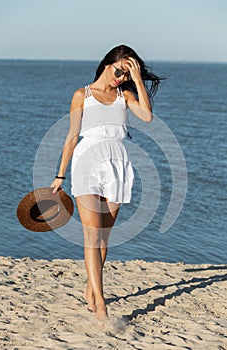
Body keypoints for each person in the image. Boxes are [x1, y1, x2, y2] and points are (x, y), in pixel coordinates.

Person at [51, 44, 163, 320]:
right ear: (106, 64)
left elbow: (147, 116)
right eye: (119, 71)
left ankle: (91, 288)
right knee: (91, 235)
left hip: (117, 162)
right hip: (86, 162)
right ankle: (100, 302)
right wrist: (60, 175)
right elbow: (71, 136)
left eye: (126, 74)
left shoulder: (125, 94)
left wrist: (137, 81)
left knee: (103, 238)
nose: (120, 77)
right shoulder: (82, 95)